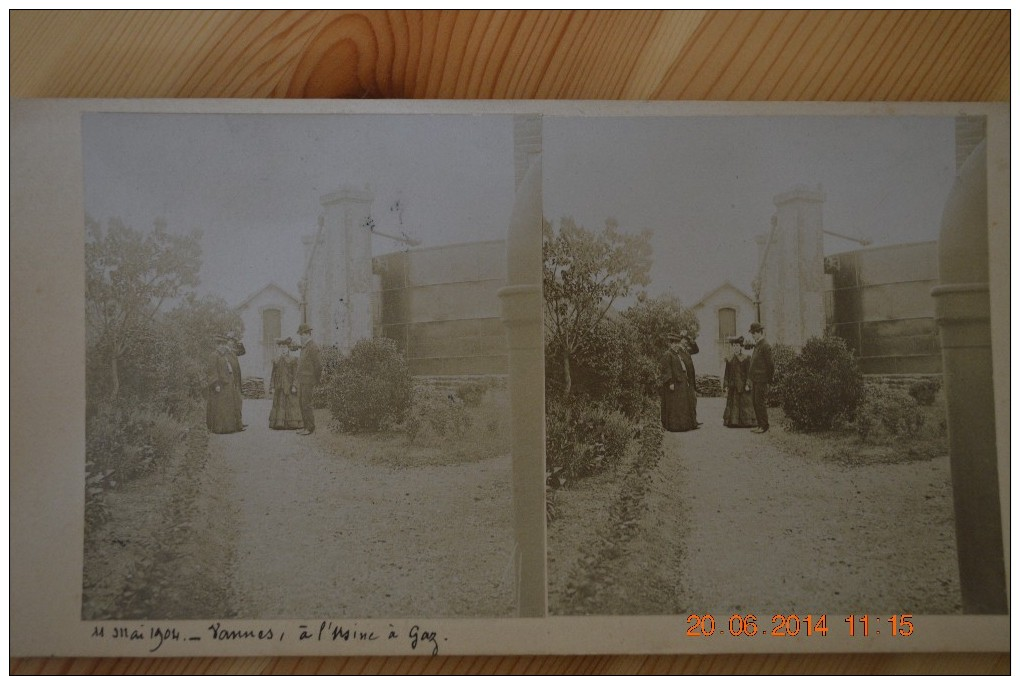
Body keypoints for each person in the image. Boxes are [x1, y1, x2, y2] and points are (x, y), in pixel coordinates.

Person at [659, 332, 697, 432]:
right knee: (674, 406)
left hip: (681, 382)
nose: (676, 345)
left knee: (681, 405)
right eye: (674, 343)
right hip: (674, 384)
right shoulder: (668, 354)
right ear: (670, 344)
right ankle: (674, 426)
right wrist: (670, 382)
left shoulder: (676, 354)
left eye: (677, 343)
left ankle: (683, 425)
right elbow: (667, 370)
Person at [206, 334, 241, 434]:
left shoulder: (224, 356)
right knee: (219, 408)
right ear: (217, 345)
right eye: (220, 344)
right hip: (220, 385)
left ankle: (228, 428)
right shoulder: (213, 356)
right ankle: (219, 428)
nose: (222, 346)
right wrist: (216, 384)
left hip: (228, 384)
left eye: (223, 344)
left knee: (228, 407)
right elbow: (212, 371)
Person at [746, 322, 775, 433]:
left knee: (759, 402)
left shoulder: (765, 345)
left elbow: (770, 364)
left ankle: (764, 425)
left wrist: (769, 379)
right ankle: (760, 425)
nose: (752, 335)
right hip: (755, 379)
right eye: (752, 333)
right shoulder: (758, 344)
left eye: (754, 333)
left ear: (759, 332)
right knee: (755, 401)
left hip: (762, 379)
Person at [722, 336, 757, 428]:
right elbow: (726, 374)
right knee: (733, 405)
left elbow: (749, 373)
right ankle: (733, 422)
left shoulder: (746, 359)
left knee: (745, 404)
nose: (735, 347)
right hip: (733, 387)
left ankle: (746, 422)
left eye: (737, 345)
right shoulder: (729, 359)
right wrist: (725, 385)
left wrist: (748, 384)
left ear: (741, 347)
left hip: (743, 387)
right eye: (734, 346)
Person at [269, 337, 303, 430]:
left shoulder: (293, 360)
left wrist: (294, 386)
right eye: (281, 347)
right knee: (280, 404)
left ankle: (292, 424)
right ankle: (279, 423)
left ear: (288, 348)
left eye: (285, 347)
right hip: (279, 387)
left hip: (290, 386)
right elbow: (273, 375)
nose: (283, 349)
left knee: (291, 404)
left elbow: (296, 374)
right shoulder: (276, 360)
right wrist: (272, 386)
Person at [295, 323, 322, 436]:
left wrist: (316, 380)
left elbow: (318, 366)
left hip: (308, 380)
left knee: (306, 404)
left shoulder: (312, 347)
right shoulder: (305, 347)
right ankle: (306, 426)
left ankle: (310, 427)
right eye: (300, 334)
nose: (300, 337)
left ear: (307, 334)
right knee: (302, 403)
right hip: (303, 380)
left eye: (302, 334)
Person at [677, 331, 701, 427]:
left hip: (691, 379)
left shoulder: (686, 350)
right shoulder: (678, 351)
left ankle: (694, 420)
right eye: (684, 339)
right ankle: (691, 422)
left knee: (693, 400)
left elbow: (696, 350)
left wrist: (692, 340)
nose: (686, 341)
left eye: (686, 340)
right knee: (689, 401)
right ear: (680, 340)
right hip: (685, 379)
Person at [226, 331, 247, 431]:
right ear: (227, 342)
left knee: (239, 402)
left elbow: (242, 352)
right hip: (231, 381)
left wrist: (239, 342)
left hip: (237, 381)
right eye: (230, 341)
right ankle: (237, 424)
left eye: (233, 341)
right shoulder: (225, 353)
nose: (231, 343)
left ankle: (239, 422)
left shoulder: (233, 351)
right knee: (234, 403)